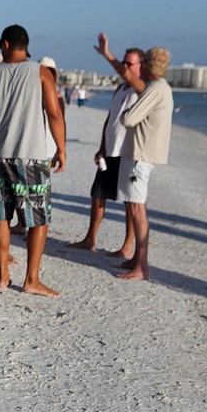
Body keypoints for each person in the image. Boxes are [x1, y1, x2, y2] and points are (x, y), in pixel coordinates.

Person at [0, 24, 66, 298]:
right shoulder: (41, 73)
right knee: (38, 219)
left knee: (1, 214)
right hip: (30, 155)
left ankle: (3, 276)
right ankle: (31, 279)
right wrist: (61, 149)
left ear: (5, 44)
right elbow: (54, 114)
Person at [95, 33, 173, 280]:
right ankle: (137, 260)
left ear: (147, 65)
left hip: (140, 156)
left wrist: (129, 110)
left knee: (138, 209)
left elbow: (128, 118)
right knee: (133, 206)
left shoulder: (155, 88)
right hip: (139, 154)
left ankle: (143, 266)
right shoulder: (159, 88)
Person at [68, 47, 144, 257]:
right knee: (98, 194)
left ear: (141, 66)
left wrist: (107, 55)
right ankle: (90, 238)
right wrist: (102, 147)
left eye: (130, 64)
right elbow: (110, 120)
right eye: (124, 62)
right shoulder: (120, 88)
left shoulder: (141, 88)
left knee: (130, 201)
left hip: (128, 152)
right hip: (110, 151)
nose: (126, 67)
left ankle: (128, 245)